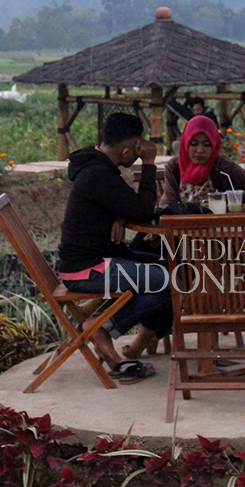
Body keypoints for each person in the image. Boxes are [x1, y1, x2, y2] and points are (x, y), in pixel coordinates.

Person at [57, 113, 169, 379]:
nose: (141, 152)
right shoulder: (98, 174)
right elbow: (143, 211)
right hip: (90, 269)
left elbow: (127, 205)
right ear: (127, 150)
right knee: (173, 280)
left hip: (94, 261)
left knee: (172, 269)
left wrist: (120, 214)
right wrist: (150, 163)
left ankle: (105, 325)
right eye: (139, 148)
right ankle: (103, 326)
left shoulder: (97, 168)